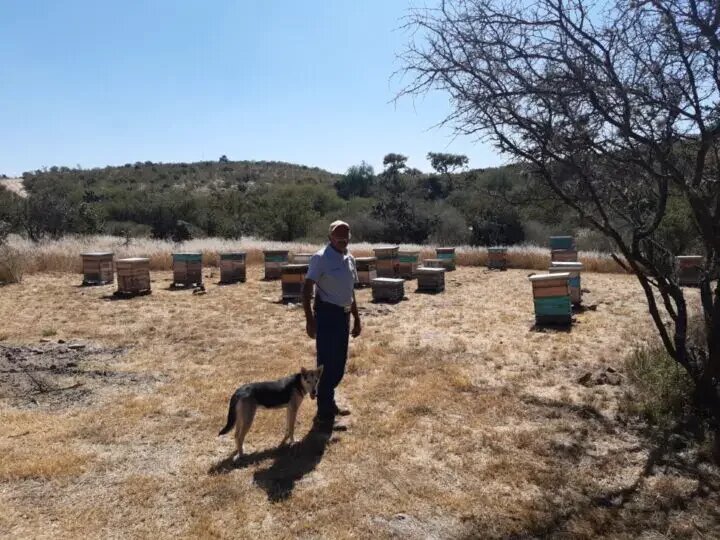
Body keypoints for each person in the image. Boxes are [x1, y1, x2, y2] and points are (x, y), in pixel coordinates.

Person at [303, 220, 362, 428]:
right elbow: (307, 289)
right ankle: (324, 415)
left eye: (346, 236)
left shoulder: (350, 258)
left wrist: (357, 318)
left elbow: (350, 291)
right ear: (330, 237)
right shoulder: (320, 258)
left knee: (338, 365)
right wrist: (310, 320)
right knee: (327, 366)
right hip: (327, 316)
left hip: (343, 317)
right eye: (338, 236)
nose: (342, 240)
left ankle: (329, 402)